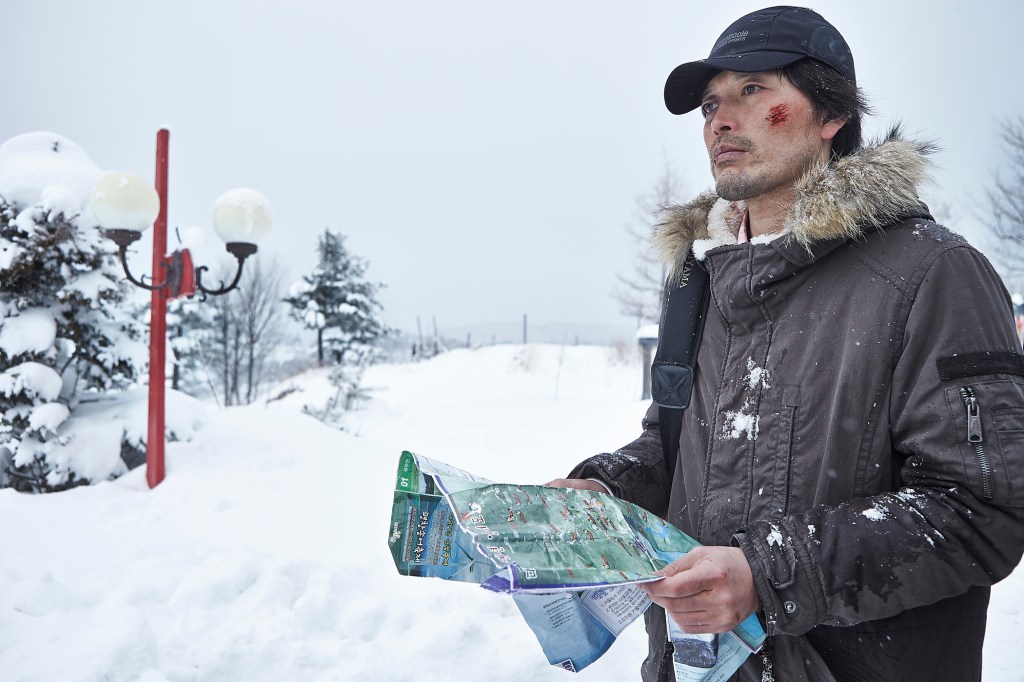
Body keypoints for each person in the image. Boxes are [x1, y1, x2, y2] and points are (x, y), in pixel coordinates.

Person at [547, 6, 1024, 681]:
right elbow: (677, 446)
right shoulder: (696, 280)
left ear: (830, 117)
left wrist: (767, 575)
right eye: (711, 103)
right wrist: (603, 490)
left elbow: (981, 509)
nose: (720, 118)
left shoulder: (930, 273)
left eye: (753, 90)